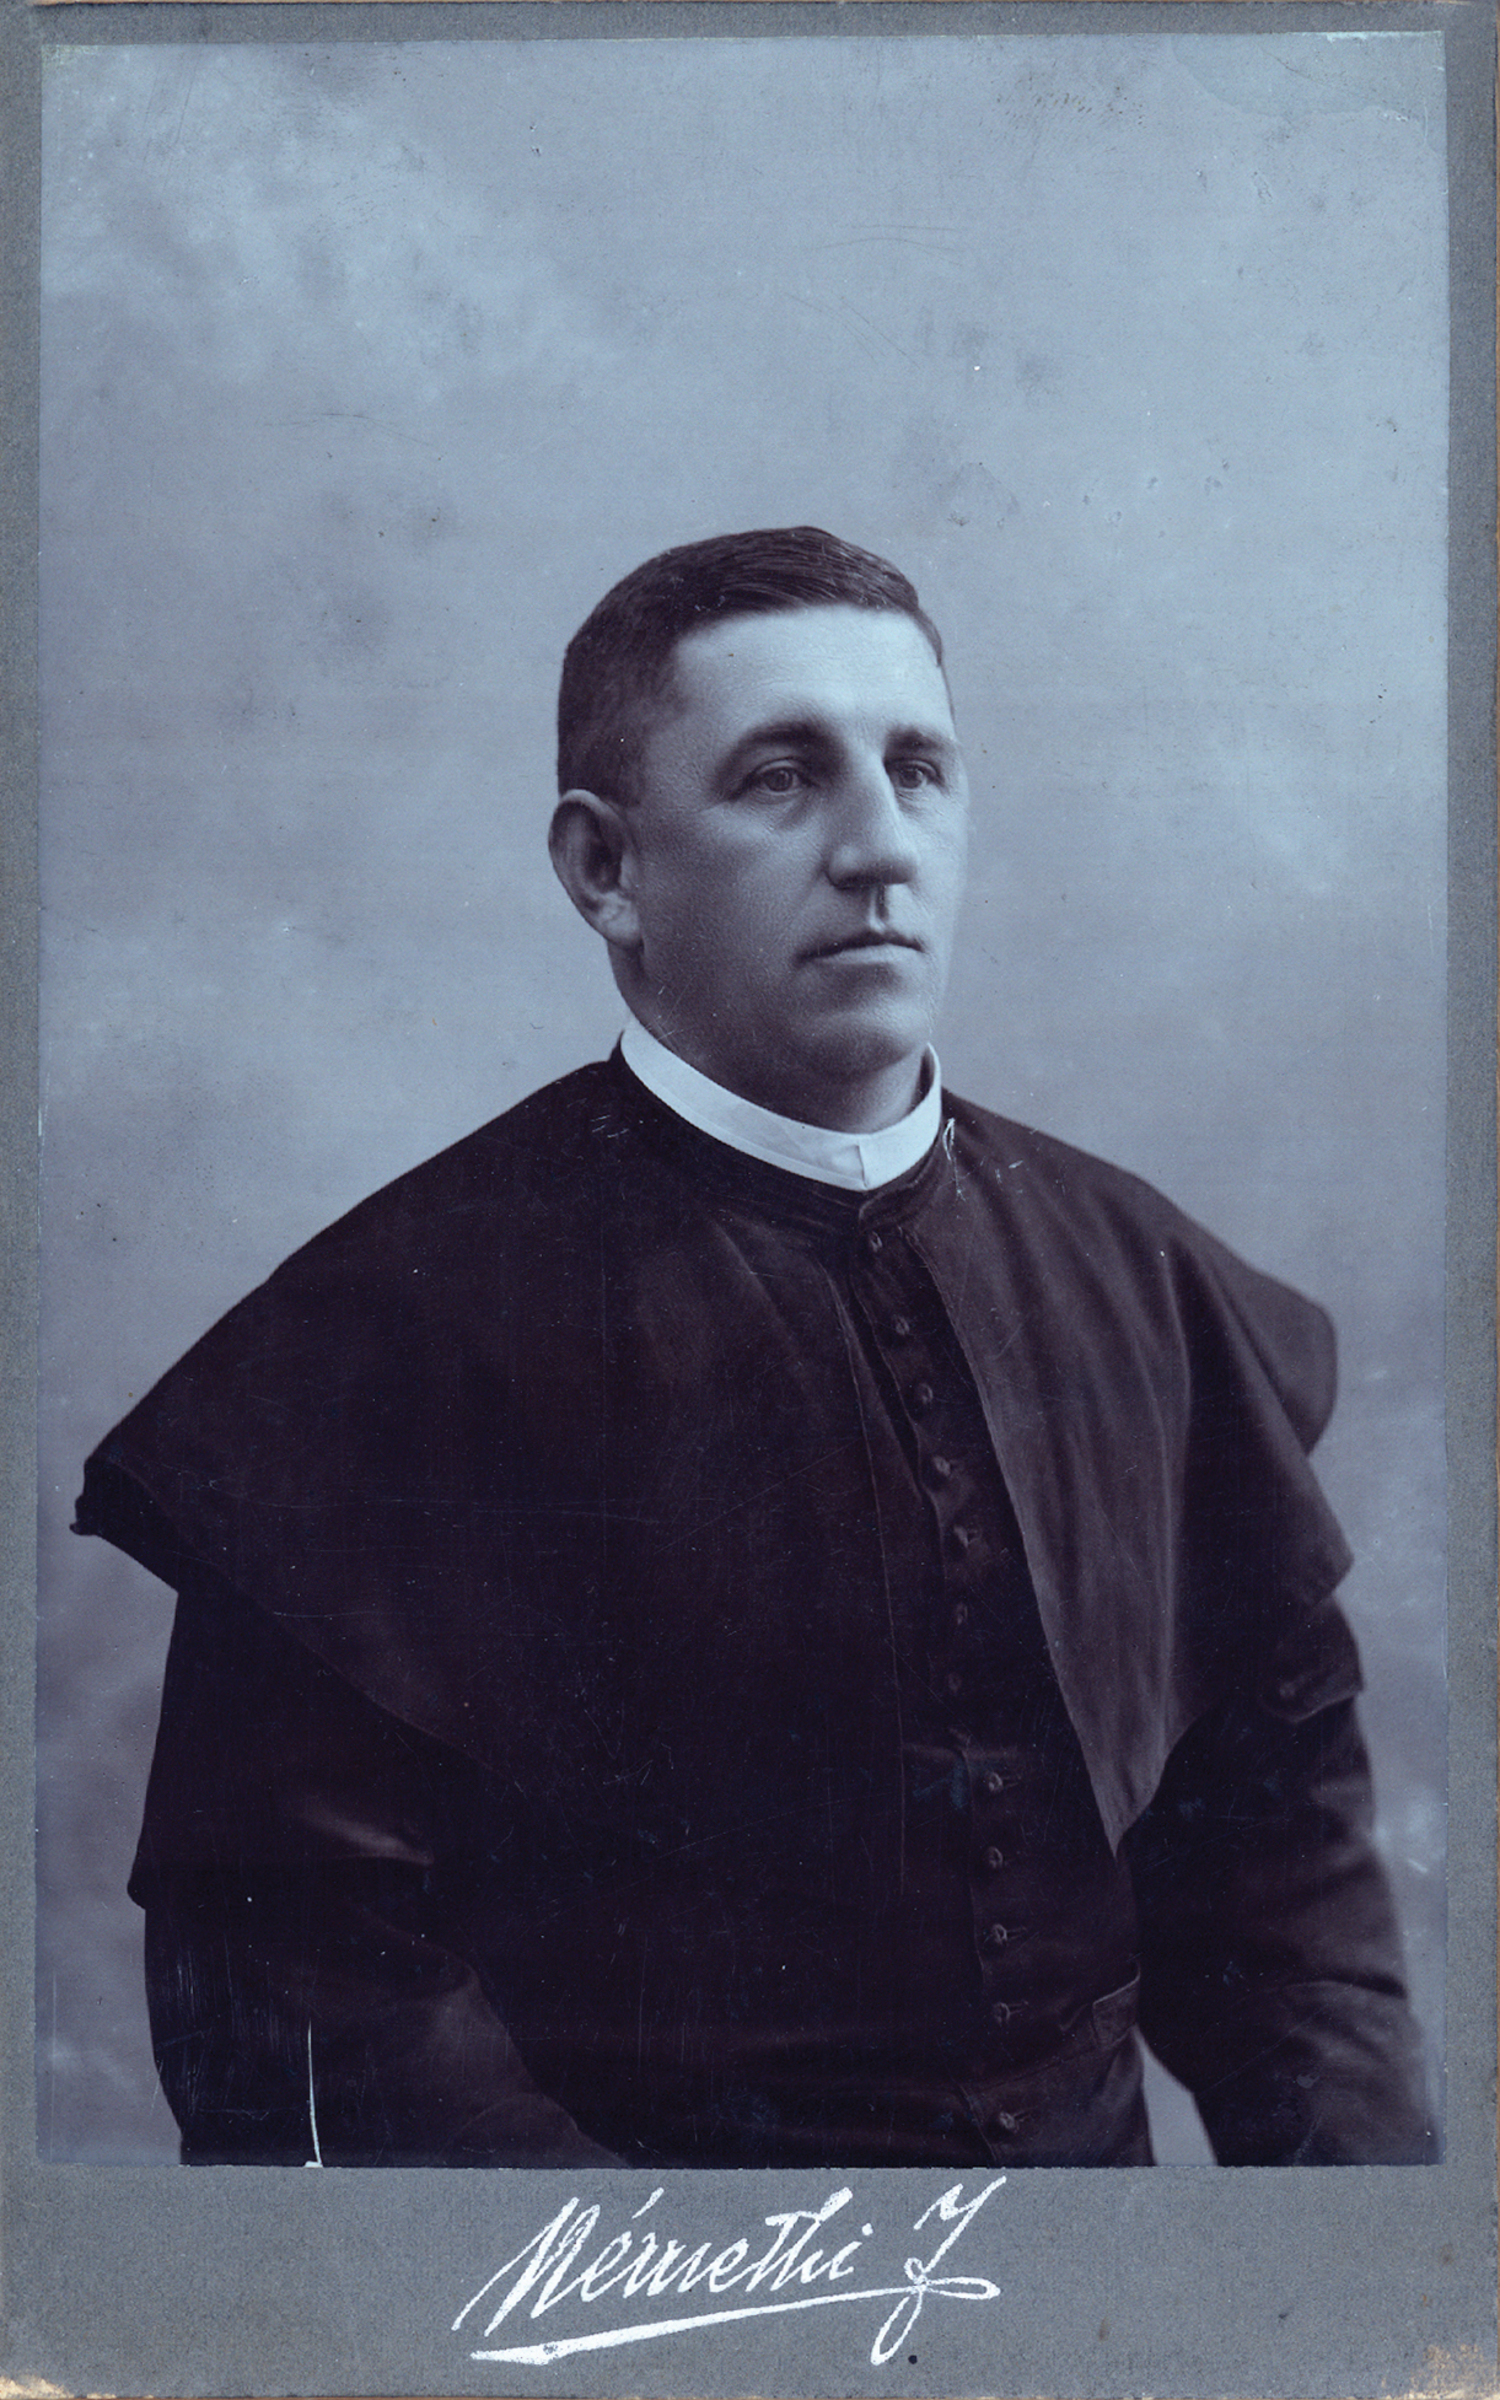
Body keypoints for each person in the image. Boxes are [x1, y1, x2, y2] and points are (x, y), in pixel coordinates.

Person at [75, 527, 1436, 2170]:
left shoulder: (1146, 1287)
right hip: (623, 2287)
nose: (879, 847)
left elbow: (1294, 1937)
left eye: (918, 771)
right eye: (781, 779)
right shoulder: (384, 1341)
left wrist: (1333, 2279)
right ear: (606, 869)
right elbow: (310, 2008)